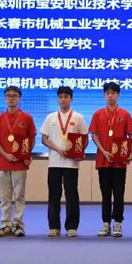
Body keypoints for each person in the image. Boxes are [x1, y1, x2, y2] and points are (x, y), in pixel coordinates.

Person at [89, 82, 132, 238]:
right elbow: (94, 135)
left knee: (119, 193)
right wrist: (103, 151)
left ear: (118, 95)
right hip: (103, 160)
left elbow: (131, 135)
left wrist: (130, 152)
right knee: (105, 194)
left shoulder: (125, 114)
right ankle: (105, 223)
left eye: (113, 93)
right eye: (108, 93)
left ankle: (118, 223)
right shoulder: (97, 114)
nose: (110, 95)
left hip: (119, 161)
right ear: (104, 95)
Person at [40, 86, 88, 237]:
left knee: (71, 195)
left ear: (71, 99)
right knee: (54, 194)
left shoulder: (78, 117)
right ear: (57, 99)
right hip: (54, 162)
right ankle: (54, 226)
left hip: (71, 163)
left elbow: (84, 138)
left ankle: (71, 226)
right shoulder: (51, 117)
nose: (63, 99)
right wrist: (57, 149)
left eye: (66, 97)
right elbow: (44, 139)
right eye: (60, 97)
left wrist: (79, 151)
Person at [0, 86, 37, 237]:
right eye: (8, 96)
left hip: (20, 162)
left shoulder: (27, 117)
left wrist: (27, 154)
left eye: (14, 95)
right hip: (3, 161)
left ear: (19, 98)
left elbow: (31, 138)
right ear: (5, 98)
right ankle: (5, 225)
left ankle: (18, 225)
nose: (11, 98)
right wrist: (5, 154)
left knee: (19, 196)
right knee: (5, 197)